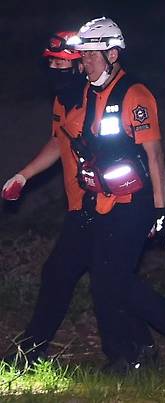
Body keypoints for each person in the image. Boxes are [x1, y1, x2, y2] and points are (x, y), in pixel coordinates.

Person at [61, 17, 165, 372]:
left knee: (110, 280)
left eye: (91, 55)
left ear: (113, 54)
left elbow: (153, 155)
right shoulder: (90, 91)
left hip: (135, 203)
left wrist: (158, 210)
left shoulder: (135, 94)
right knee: (111, 279)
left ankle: (134, 350)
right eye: (83, 55)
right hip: (104, 201)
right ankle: (147, 345)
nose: (84, 61)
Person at [1, 30, 98, 365]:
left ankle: (29, 351)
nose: (56, 67)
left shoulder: (96, 97)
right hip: (78, 204)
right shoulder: (62, 99)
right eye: (52, 62)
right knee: (110, 280)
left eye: (63, 62)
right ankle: (150, 346)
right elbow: (58, 141)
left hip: (105, 206)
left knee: (67, 275)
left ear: (79, 65)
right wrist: (23, 175)